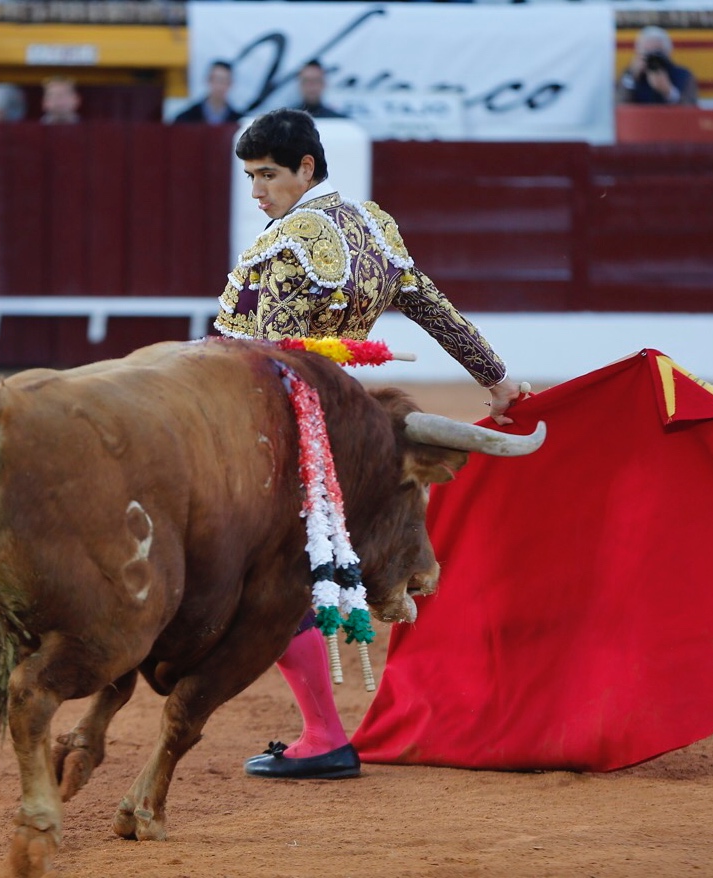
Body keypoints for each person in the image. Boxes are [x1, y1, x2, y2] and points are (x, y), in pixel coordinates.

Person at [216, 108, 524, 780]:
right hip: (349, 427)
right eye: (249, 177)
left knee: (257, 578)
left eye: (267, 175)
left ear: (306, 167)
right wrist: (495, 378)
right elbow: (433, 308)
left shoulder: (285, 242)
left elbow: (258, 358)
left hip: (282, 430)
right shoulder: (374, 230)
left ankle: (323, 732)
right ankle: (327, 728)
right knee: (290, 575)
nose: (256, 192)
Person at [616, 26, 698, 106]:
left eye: (657, 52)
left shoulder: (683, 75)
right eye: (647, 53)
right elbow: (617, 106)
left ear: (667, 53)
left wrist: (669, 92)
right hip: (640, 119)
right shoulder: (629, 76)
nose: (652, 59)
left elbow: (691, 110)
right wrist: (632, 77)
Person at [173, 60, 243, 125]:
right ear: (208, 80)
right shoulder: (186, 119)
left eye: (224, 81)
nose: (219, 86)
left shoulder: (238, 121)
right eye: (217, 80)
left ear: (231, 84)